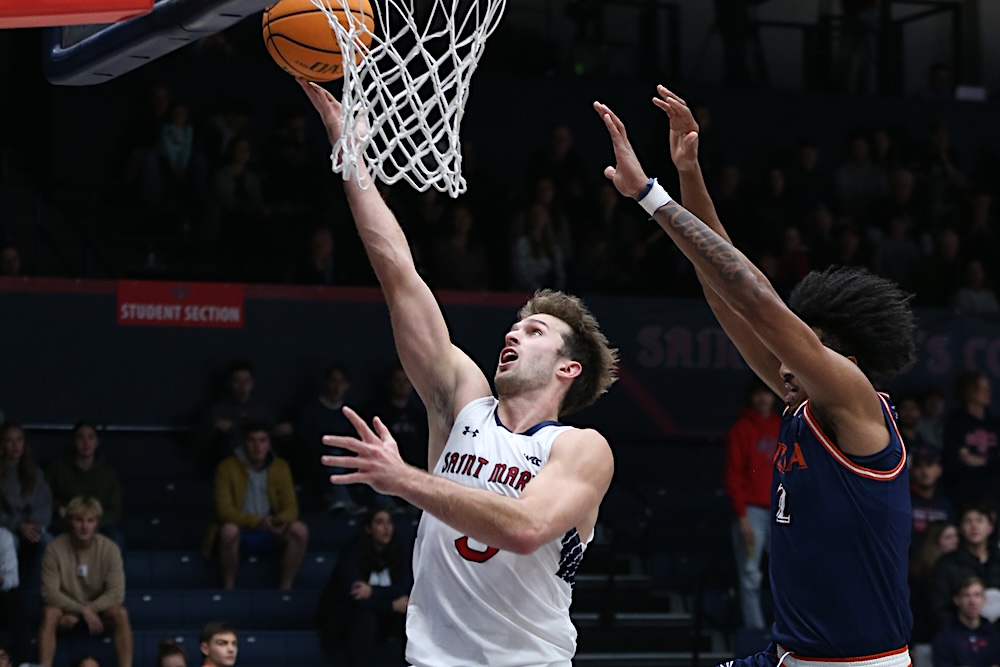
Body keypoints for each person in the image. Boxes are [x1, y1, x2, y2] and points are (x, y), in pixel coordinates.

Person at [300, 80, 618, 667]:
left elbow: (525, 527)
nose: (512, 334)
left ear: (568, 368)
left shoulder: (580, 449)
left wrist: (404, 480)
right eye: (516, 327)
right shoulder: (461, 402)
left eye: (534, 331)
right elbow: (398, 274)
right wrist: (352, 159)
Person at [597, 88, 915, 662]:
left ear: (843, 358)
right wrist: (691, 173)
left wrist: (650, 195)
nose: (780, 363)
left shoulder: (853, 398)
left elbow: (756, 295)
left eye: (803, 349)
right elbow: (726, 287)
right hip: (787, 654)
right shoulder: (803, 401)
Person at [201, 423, 308, 590]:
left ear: (269, 444)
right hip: (242, 529)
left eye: (262, 440)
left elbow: (291, 508)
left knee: (300, 530)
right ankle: (229, 588)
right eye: (252, 441)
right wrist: (257, 521)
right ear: (244, 443)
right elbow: (224, 511)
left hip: (271, 530)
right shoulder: (226, 467)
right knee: (228, 530)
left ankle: (285, 589)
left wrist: (277, 521)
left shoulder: (280, 467)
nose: (257, 446)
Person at [38, 496, 132, 667]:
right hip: (66, 609)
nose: (84, 526)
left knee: (121, 613)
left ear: (97, 523)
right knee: (49, 613)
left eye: (90, 520)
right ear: (70, 521)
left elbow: (116, 593)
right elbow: (49, 593)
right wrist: (81, 610)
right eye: (79, 520)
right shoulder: (54, 548)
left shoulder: (110, 548)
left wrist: (89, 610)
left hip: (100, 611)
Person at [317, 509, 412, 666]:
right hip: (347, 618)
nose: (386, 528)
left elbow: (403, 588)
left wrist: (372, 591)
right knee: (364, 619)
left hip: (385, 615)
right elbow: (356, 599)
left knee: (412, 614)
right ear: (368, 528)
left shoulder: (399, 551)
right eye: (380, 522)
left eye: (389, 522)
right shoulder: (352, 554)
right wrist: (391, 604)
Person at [722, 377, 780, 630]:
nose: (763, 398)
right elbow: (733, 474)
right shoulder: (742, 429)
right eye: (758, 393)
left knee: (788, 574)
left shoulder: (783, 425)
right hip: (752, 513)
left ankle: (788, 628)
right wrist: (742, 516)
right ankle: (755, 631)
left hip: (781, 511)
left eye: (767, 393)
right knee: (750, 575)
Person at [47, 422, 124, 547]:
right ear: (73, 441)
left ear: (97, 442)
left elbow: (114, 509)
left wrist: (93, 523)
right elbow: (43, 496)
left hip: (98, 526)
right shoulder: (57, 467)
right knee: (48, 539)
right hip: (65, 524)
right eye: (80, 437)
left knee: (116, 538)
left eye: (90, 437)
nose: (86, 442)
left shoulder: (108, 473)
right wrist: (59, 508)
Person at [929, 503, 1000, 635]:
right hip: (958, 640)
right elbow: (939, 606)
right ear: (960, 528)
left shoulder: (997, 559)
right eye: (968, 521)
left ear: (991, 527)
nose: (974, 526)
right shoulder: (946, 563)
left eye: (979, 520)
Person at [0, 423, 53, 582]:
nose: (15, 445)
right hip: (7, 527)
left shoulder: (36, 473)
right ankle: (10, 589)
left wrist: (33, 526)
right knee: (9, 543)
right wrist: (19, 525)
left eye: (19, 440)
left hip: (32, 527)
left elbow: (44, 504)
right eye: (10, 440)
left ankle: (34, 590)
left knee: (47, 541)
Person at [942, 370, 1000, 509]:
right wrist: (990, 461)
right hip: (963, 491)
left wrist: (982, 460)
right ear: (969, 391)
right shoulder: (955, 423)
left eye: (988, 388)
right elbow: (955, 461)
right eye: (982, 388)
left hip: (994, 490)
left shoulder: (995, 424)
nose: (988, 392)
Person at [932, 577, 1000, 667]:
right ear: (957, 600)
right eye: (966, 595)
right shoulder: (945, 638)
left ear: (984, 599)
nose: (972, 601)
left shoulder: (994, 635)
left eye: (977, 595)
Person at [910, 446, 955, 539]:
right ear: (912, 471)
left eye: (929, 465)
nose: (924, 472)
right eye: (919, 466)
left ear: (939, 470)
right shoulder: (902, 501)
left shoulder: (946, 504)